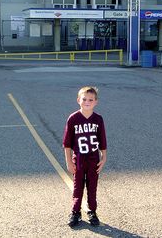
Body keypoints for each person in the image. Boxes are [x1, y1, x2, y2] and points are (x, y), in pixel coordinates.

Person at [63, 86, 107, 227]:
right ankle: (75, 212)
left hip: (94, 160)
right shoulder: (73, 118)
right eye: (84, 99)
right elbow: (67, 143)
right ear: (78, 100)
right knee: (78, 187)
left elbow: (102, 140)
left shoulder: (98, 119)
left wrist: (104, 158)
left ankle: (92, 211)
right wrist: (69, 161)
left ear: (96, 102)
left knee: (92, 187)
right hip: (79, 159)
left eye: (91, 99)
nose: (87, 101)